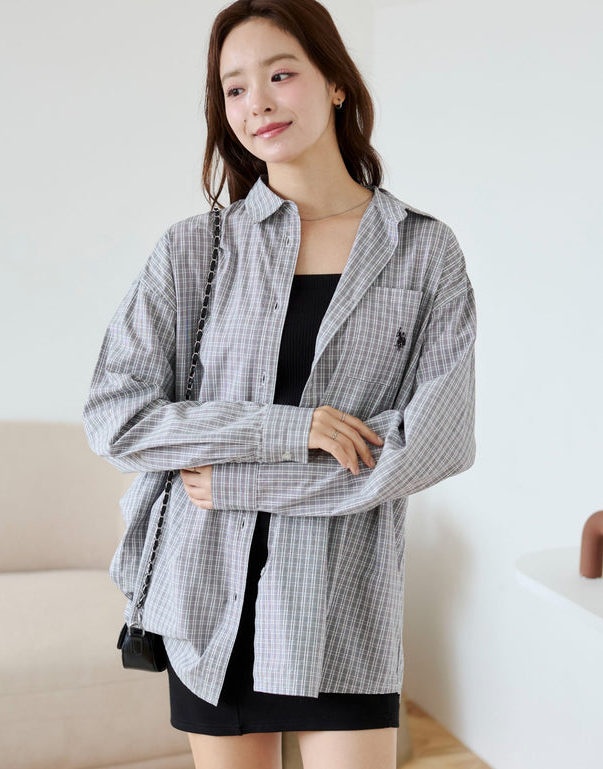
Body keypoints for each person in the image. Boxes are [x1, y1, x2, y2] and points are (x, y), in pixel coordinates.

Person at [82, 0, 476, 767]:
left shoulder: (423, 252)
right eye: (234, 88)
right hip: (209, 603)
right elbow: (116, 417)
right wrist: (289, 429)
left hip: (341, 607)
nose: (256, 102)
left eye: (280, 74)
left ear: (335, 82)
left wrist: (241, 480)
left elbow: (436, 442)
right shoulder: (194, 251)